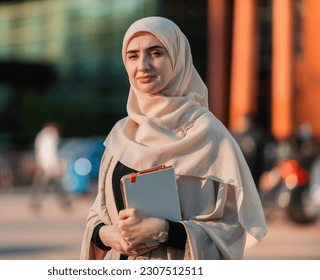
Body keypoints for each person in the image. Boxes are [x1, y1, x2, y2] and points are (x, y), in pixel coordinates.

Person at [80, 16, 267, 260]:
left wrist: (165, 230)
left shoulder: (208, 133)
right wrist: (107, 235)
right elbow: (99, 212)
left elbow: (229, 231)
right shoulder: (121, 134)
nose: (143, 65)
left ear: (178, 59)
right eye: (133, 56)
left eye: (155, 53)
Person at [29, 122, 71, 212]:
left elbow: (40, 151)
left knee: (42, 186)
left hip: (42, 164)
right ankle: (66, 204)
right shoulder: (51, 136)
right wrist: (53, 165)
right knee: (53, 186)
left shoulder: (41, 135)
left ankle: (35, 204)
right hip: (49, 166)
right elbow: (50, 152)